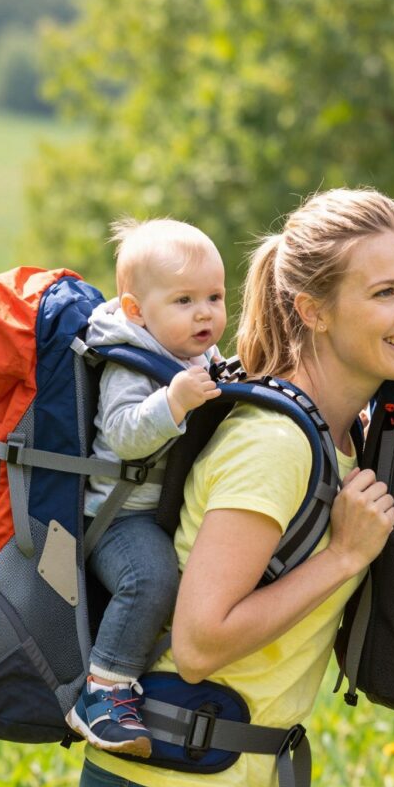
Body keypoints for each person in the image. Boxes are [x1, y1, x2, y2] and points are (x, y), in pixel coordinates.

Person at [77, 188, 394, 787]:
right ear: (313, 310)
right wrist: (341, 557)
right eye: (385, 292)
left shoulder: (344, 439)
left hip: (223, 783)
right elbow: (200, 642)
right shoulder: (274, 444)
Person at [68, 218, 227, 756]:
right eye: (184, 300)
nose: (204, 312)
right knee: (151, 578)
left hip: (158, 512)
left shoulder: (190, 353)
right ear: (136, 311)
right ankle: (102, 694)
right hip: (115, 518)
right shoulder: (128, 362)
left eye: (214, 296)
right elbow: (124, 435)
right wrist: (175, 401)